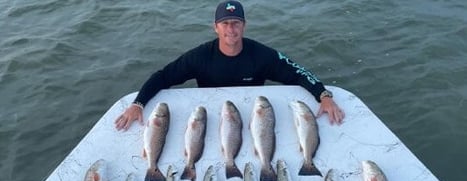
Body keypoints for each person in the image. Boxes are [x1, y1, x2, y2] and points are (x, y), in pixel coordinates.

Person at [115, 1, 344, 131]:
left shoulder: (262, 55)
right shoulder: (200, 56)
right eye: (225, 23)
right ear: (216, 27)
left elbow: (297, 72)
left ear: (244, 26)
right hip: (209, 121)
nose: (231, 29)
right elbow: (164, 76)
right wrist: (138, 103)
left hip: (255, 120)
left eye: (236, 23)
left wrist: (323, 95)